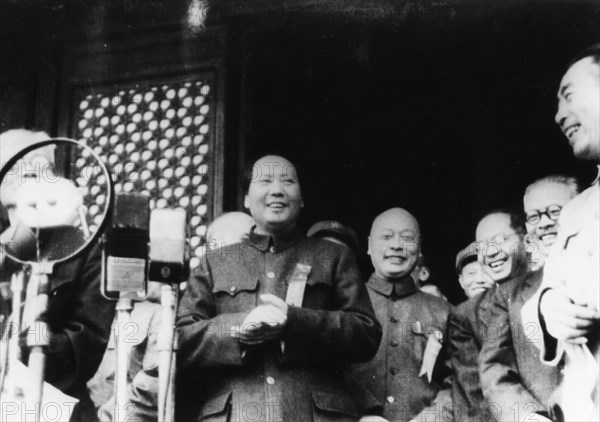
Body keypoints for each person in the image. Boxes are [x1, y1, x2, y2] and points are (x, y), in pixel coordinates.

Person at [176, 154, 382, 422]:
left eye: (287, 181)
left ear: (302, 198)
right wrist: (238, 328)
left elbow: (366, 334)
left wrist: (295, 321)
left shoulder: (332, 257)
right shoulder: (215, 262)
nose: (277, 190)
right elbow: (180, 339)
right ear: (247, 200)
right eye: (265, 181)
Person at [0, 129, 116, 422]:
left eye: (36, 171)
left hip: (52, 405)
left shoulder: (82, 249)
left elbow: (83, 346)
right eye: (11, 170)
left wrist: (20, 342)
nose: (21, 180)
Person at [522, 44, 600, 421]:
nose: (558, 115)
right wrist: (547, 308)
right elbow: (540, 300)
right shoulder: (576, 211)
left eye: (569, 95)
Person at [479, 176, 579, 421]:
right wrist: (528, 417)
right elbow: (493, 369)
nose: (543, 224)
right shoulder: (506, 295)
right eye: (533, 216)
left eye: (555, 212)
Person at [350, 208, 452, 422]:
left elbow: (460, 380)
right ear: (369, 245)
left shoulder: (445, 311)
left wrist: (432, 418)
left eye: (406, 238)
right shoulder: (344, 303)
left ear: (419, 247)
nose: (396, 246)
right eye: (386, 237)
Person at [448, 210, 529, 422]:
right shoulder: (466, 315)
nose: (490, 252)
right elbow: (474, 403)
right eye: (482, 245)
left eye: (500, 240)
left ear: (527, 238)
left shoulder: (553, 288)